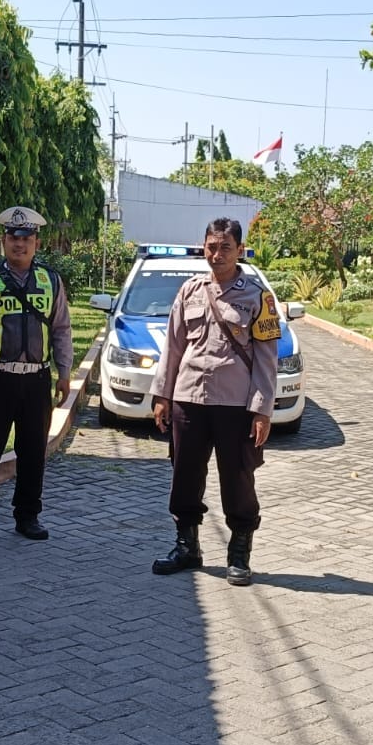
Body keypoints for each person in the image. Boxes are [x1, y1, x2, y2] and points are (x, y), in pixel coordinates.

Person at [150, 218, 281, 587]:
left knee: (238, 478)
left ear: (240, 250)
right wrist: (162, 394)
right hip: (189, 398)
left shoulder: (258, 297)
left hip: (235, 405)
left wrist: (262, 410)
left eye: (225, 247)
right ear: (203, 247)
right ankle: (186, 547)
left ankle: (239, 554)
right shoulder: (190, 290)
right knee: (184, 475)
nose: (217, 254)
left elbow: (267, 358)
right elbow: (174, 345)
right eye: (211, 246)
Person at [0, 206, 73, 543]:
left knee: (33, 451)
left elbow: (62, 329)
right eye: (13, 238)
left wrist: (64, 372)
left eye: (26, 238)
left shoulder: (50, 280)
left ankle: (28, 516)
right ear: (3, 241)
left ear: (37, 243)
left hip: (36, 379)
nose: (19, 244)